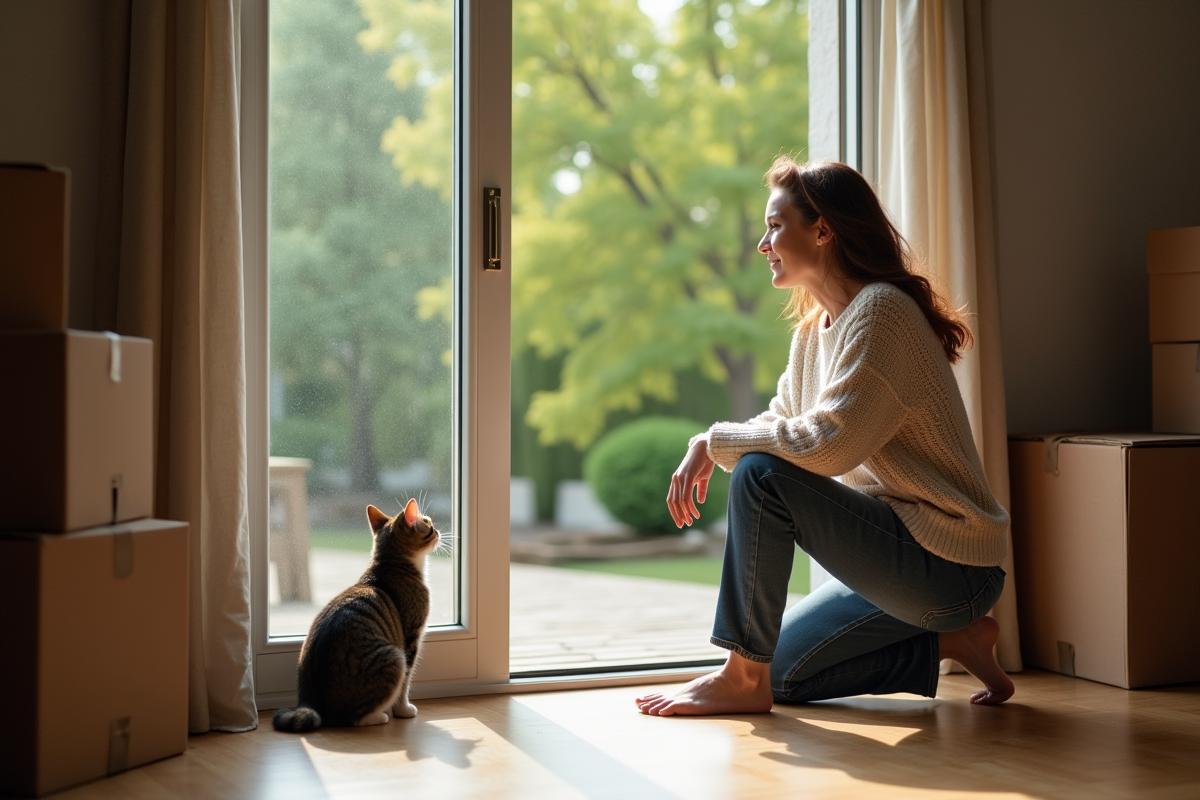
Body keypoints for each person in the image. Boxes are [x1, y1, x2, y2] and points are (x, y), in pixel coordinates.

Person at [636, 157, 1013, 717]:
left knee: (762, 477)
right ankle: (950, 642)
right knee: (781, 672)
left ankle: (739, 678)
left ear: (822, 228)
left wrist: (715, 443)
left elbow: (829, 444)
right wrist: (708, 440)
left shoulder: (883, 313)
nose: (764, 244)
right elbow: (779, 420)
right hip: (897, 560)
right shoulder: (815, 331)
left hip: (949, 565)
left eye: (774, 225)